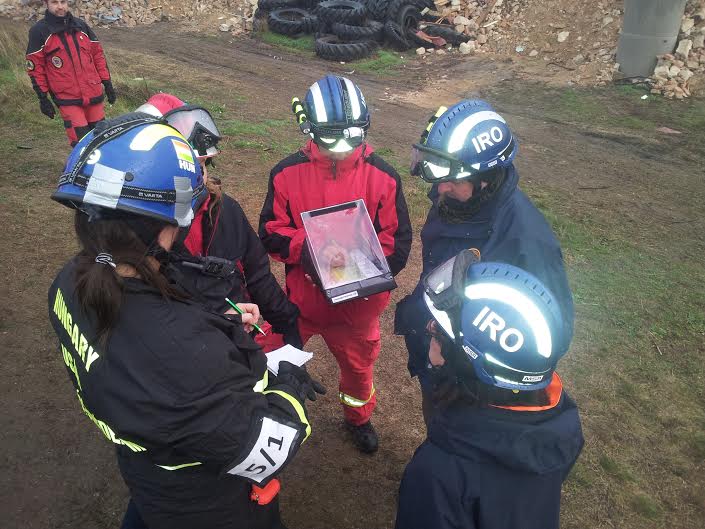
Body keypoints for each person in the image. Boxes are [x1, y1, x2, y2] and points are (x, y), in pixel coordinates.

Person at [48, 114, 324, 529]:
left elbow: (149, 342)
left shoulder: (68, 283)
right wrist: (288, 386)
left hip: (149, 471)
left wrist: (212, 321)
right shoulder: (182, 357)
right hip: (208, 504)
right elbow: (267, 448)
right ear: (167, 223)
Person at [395, 99, 574, 424]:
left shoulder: (526, 242)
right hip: (436, 351)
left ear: (486, 179)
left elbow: (550, 337)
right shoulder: (456, 201)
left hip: (471, 383)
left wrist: (466, 369)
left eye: (452, 180)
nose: (440, 188)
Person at [259, 74, 412, 453]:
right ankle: (259, 415)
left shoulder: (384, 179)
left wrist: (360, 268)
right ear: (309, 130)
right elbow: (270, 232)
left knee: (359, 373)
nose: (341, 149)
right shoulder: (285, 174)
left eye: (352, 137)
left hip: (357, 311)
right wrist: (305, 249)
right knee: (269, 355)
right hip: (302, 304)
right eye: (331, 139)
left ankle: (358, 418)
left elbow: (398, 244)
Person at [394, 254, 584, 529]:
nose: (428, 328)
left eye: (439, 335)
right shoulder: (559, 425)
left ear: (471, 366)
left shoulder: (439, 475)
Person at [135, 93, 302, 347]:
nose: (198, 175)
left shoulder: (224, 210)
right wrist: (217, 322)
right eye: (186, 166)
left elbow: (258, 274)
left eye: (202, 164)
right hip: (190, 350)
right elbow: (146, 320)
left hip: (239, 332)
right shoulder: (133, 235)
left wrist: (287, 322)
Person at [26, 0, 116, 146]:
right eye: (55, 2)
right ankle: (80, 169)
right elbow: (36, 68)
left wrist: (107, 83)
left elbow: (98, 55)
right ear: (46, 3)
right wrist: (43, 98)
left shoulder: (81, 26)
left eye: (63, 1)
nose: (60, 6)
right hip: (67, 98)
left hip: (93, 94)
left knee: (102, 141)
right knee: (82, 144)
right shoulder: (39, 31)